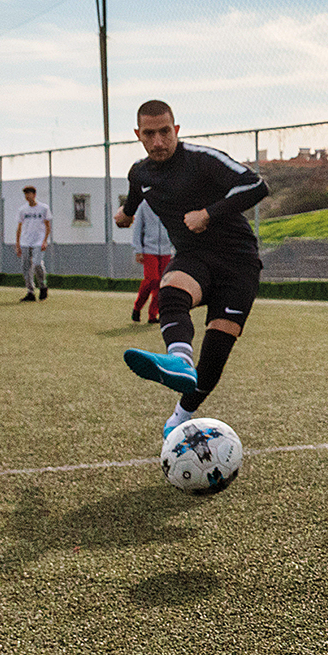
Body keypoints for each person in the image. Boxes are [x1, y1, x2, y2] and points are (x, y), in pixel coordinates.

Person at [114, 100, 269, 437]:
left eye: (165, 132)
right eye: (150, 134)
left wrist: (209, 213)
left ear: (177, 130)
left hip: (237, 262)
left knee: (214, 356)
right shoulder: (139, 173)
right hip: (193, 255)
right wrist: (125, 215)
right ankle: (180, 360)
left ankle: (180, 417)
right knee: (171, 290)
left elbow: (257, 185)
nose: (158, 141)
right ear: (138, 135)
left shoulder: (202, 160)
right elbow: (134, 199)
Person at [130, 199, 173, 324]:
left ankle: (153, 315)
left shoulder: (171, 202)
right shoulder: (144, 205)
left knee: (161, 283)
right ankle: (137, 307)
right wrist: (137, 249)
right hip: (148, 249)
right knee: (151, 279)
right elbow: (137, 228)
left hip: (166, 250)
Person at [11, 184, 51, 301]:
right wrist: (17, 244)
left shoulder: (43, 208)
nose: (27, 196)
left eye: (29, 193)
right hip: (25, 242)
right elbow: (19, 227)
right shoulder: (22, 210)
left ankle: (43, 286)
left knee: (38, 264)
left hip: (38, 241)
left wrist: (45, 241)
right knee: (26, 267)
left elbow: (48, 226)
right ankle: (30, 292)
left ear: (34, 195)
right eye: (25, 194)